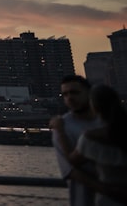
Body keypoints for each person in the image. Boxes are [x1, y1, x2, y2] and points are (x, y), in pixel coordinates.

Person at [54, 84, 127, 205]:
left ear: (94, 106)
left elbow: (72, 160)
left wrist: (60, 130)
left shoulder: (91, 137)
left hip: (110, 198)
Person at [50, 74, 103, 206]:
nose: (70, 98)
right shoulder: (62, 126)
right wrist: (108, 189)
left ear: (89, 93)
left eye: (74, 92)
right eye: (65, 94)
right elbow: (71, 171)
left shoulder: (106, 122)